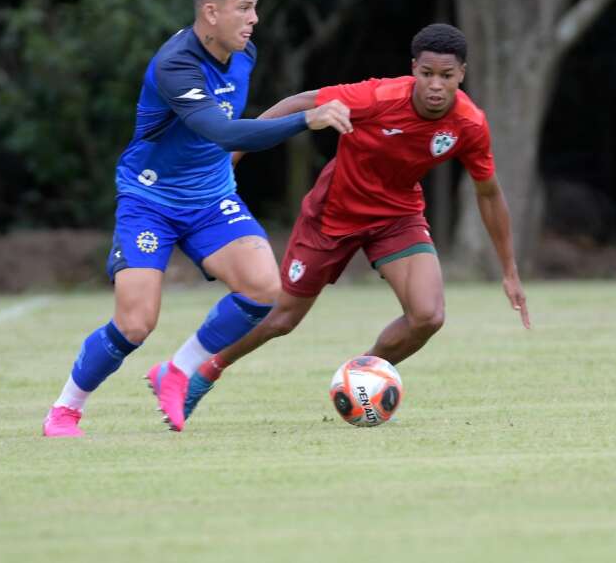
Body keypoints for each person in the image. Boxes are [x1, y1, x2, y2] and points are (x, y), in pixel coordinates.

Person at [153, 22, 531, 431]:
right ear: (413, 69)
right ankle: (206, 370)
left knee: (428, 316)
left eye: (447, 75)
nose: (435, 85)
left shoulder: (469, 123)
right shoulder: (378, 97)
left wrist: (509, 270)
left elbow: (489, 193)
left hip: (397, 218)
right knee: (281, 319)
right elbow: (299, 102)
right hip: (332, 217)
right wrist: (234, 154)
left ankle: (362, 378)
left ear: (462, 74)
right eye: (427, 74)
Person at [42, 0, 351, 437]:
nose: (255, 19)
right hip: (150, 199)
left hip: (210, 199)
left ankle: (178, 370)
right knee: (135, 325)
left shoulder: (244, 52)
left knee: (265, 288)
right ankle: (65, 410)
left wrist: (217, 170)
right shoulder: (175, 65)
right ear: (211, 11)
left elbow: (222, 135)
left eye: (254, 7)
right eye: (244, 8)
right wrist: (305, 120)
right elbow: (223, 130)